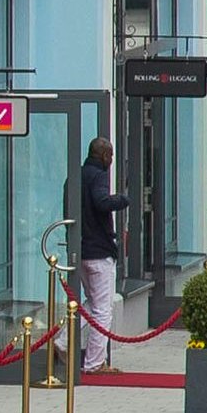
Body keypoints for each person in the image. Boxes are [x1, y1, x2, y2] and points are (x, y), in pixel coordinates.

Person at [78, 137, 132, 373]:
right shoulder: (98, 175)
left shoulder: (76, 175)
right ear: (104, 156)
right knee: (103, 310)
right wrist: (122, 199)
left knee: (91, 303)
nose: (111, 161)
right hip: (99, 251)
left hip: (81, 250)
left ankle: (62, 342)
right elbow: (101, 202)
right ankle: (94, 362)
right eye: (110, 156)